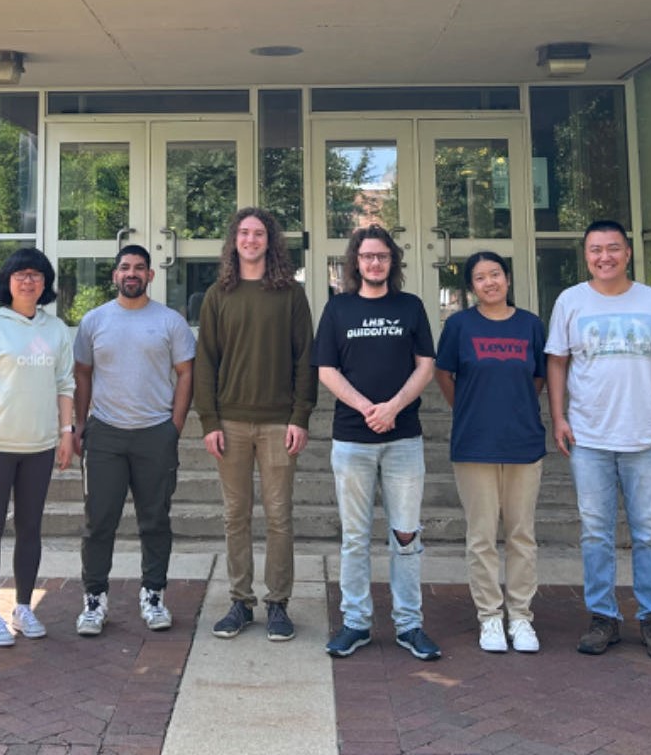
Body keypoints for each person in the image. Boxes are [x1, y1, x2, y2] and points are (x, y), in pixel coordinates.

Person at [545, 220, 651, 661]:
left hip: (645, 436)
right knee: (595, 533)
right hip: (589, 437)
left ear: (628, 253)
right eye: (595, 250)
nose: (603, 256)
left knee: (649, 532)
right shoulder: (570, 300)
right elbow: (556, 363)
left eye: (612, 248)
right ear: (585, 255)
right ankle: (602, 617)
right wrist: (559, 416)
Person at [315, 225, 440, 661]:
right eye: (367, 256)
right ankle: (356, 623)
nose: (374, 263)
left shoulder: (410, 306)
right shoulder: (338, 310)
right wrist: (369, 407)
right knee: (355, 537)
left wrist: (393, 408)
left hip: (403, 439)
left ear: (392, 262)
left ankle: (409, 624)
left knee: (406, 535)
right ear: (355, 262)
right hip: (352, 440)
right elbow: (326, 370)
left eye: (382, 257)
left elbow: (426, 364)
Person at [196, 206, 318, 641]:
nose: (251, 240)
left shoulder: (290, 294)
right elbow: (205, 363)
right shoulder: (218, 295)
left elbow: (307, 358)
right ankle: (240, 602)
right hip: (229, 422)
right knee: (236, 516)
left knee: (280, 516)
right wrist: (209, 420)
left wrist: (300, 416)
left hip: (277, 424)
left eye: (259, 233)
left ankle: (278, 603)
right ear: (235, 241)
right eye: (244, 233)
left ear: (271, 242)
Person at [70, 245, 196, 636]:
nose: (132, 274)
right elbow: (82, 375)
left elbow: (186, 374)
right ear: (114, 275)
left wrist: (173, 427)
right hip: (105, 434)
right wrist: (80, 425)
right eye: (125, 267)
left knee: (155, 520)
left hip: (154, 434)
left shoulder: (170, 321)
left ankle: (154, 594)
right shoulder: (94, 321)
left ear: (150, 276)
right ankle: (94, 600)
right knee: (98, 522)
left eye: (139, 268)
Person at [0, 247, 77, 647]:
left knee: (30, 529)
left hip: (40, 446)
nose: (28, 281)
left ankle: (24, 607)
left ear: (45, 283)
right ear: (7, 282)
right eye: (20, 275)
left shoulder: (57, 330)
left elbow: (66, 385)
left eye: (36, 275)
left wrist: (66, 433)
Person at [435, 250, 547, 655]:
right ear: (471, 288)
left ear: (508, 279)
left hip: (523, 441)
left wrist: (511, 406)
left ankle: (521, 616)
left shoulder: (530, 325)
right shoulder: (459, 326)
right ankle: (489, 617)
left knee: (521, 534)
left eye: (495, 274)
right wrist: (469, 407)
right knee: (481, 535)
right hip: (474, 443)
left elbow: (538, 377)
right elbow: (444, 374)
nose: (489, 282)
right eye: (480, 278)